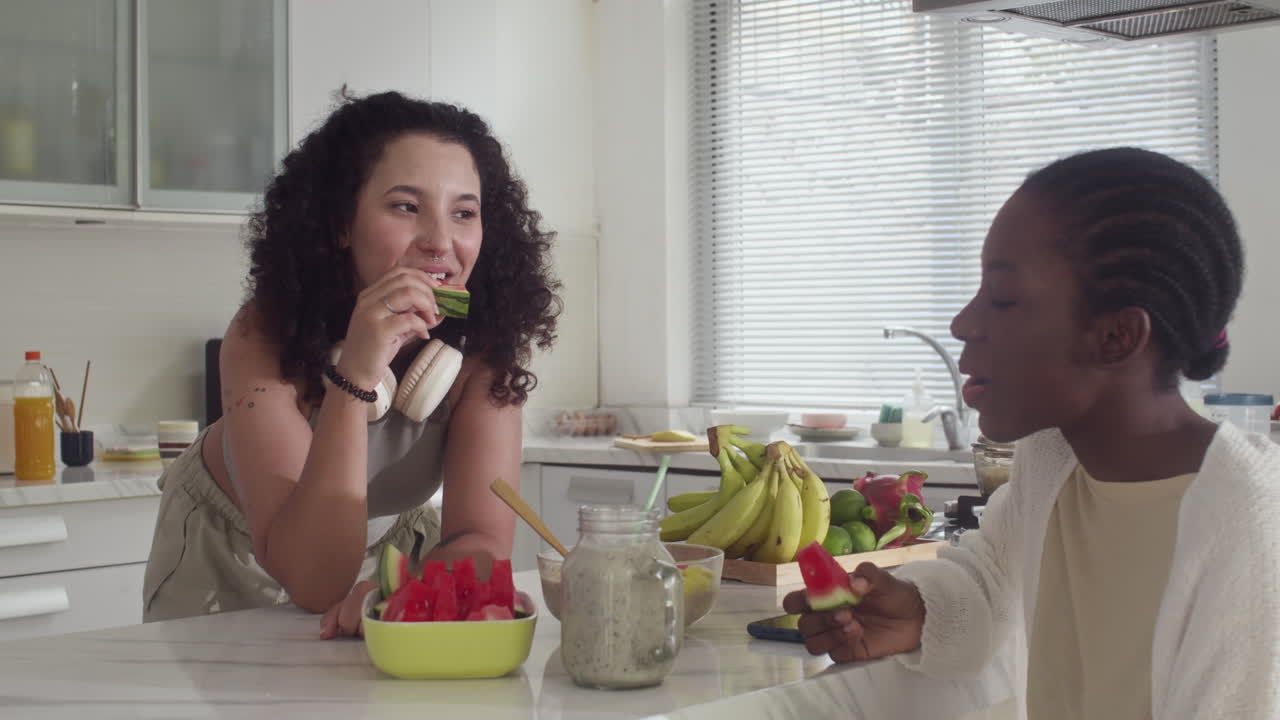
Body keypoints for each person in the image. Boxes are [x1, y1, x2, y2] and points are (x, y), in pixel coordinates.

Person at [784, 147, 1280, 718]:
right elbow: (997, 576)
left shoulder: (1244, 521)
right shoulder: (1055, 457)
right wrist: (918, 612)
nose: (963, 323)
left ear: (1116, 337)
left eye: (1003, 299)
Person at [143, 90, 562, 638]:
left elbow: (478, 537)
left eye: (464, 213)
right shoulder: (262, 335)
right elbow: (314, 580)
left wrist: (419, 592)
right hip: (228, 556)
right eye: (406, 207)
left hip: (385, 547)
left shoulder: (485, 346)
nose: (441, 242)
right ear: (342, 222)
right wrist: (355, 377)